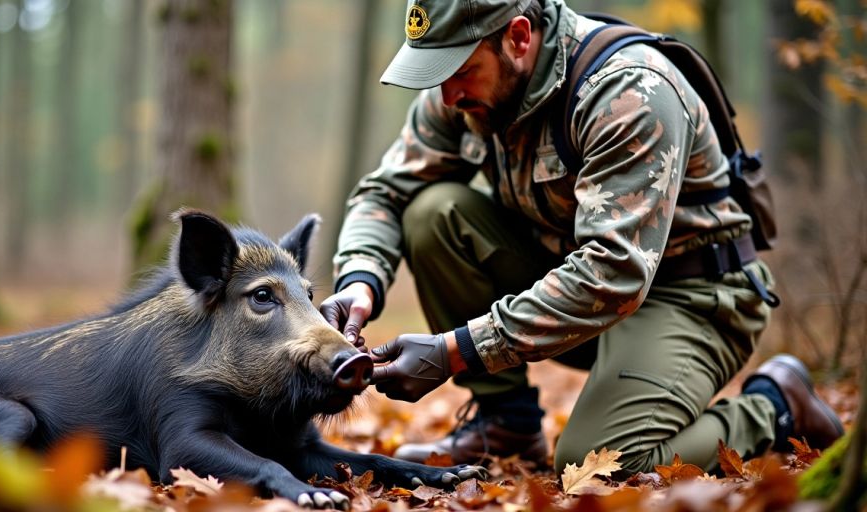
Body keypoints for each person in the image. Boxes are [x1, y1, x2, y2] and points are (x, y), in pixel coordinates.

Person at [319, 0, 844, 475]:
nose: (448, 94)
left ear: (519, 38)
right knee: (432, 213)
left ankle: (775, 404)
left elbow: (613, 271)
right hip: (577, 291)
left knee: (601, 463)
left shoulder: (629, 91)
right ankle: (506, 425)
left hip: (693, 296)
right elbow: (385, 192)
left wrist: (457, 351)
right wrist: (360, 283)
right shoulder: (462, 94)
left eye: (458, 69)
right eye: (435, 73)